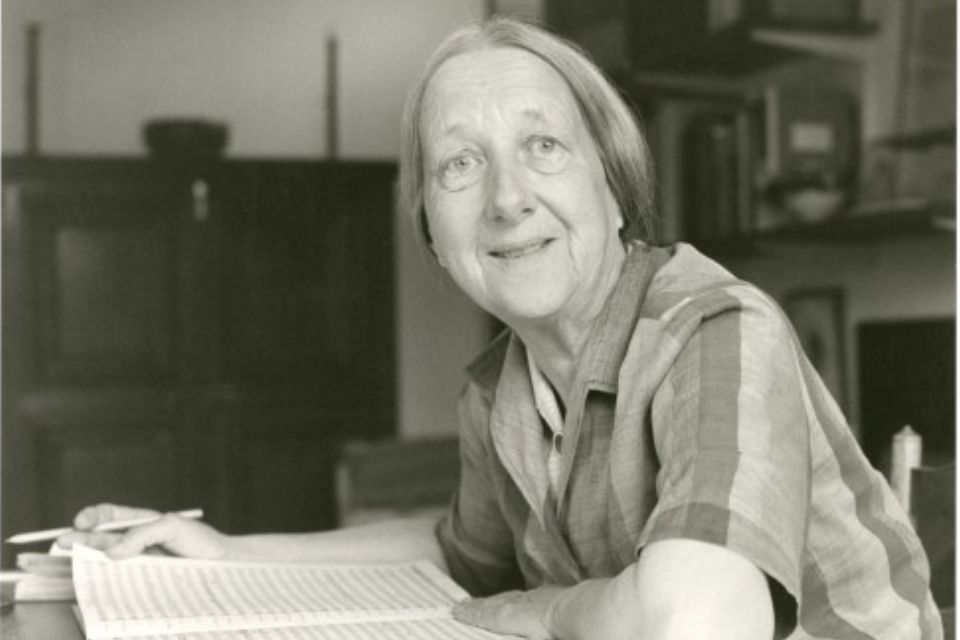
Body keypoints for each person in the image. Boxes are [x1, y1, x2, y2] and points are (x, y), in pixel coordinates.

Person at [59, 17, 942, 640]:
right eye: (460, 163)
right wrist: (225, 551)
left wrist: (547, 609)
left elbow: (698, 623)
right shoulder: (502, 388)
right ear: (436, 240)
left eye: (544, 147)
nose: (508, 197)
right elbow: (456, 556)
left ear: (615, 184)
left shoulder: (714, 330)